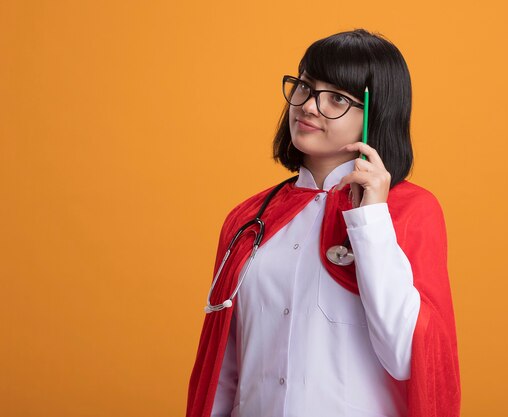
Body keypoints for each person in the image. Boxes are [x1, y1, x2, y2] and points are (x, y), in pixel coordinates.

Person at [187, 29, 461, 417]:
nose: (309, 107)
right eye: (304, 86)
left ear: (376, 114)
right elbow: (224, 368)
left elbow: (406, 357)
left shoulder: (410, 211)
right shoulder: (249, 218)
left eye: (336, 98)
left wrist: (370, 221)